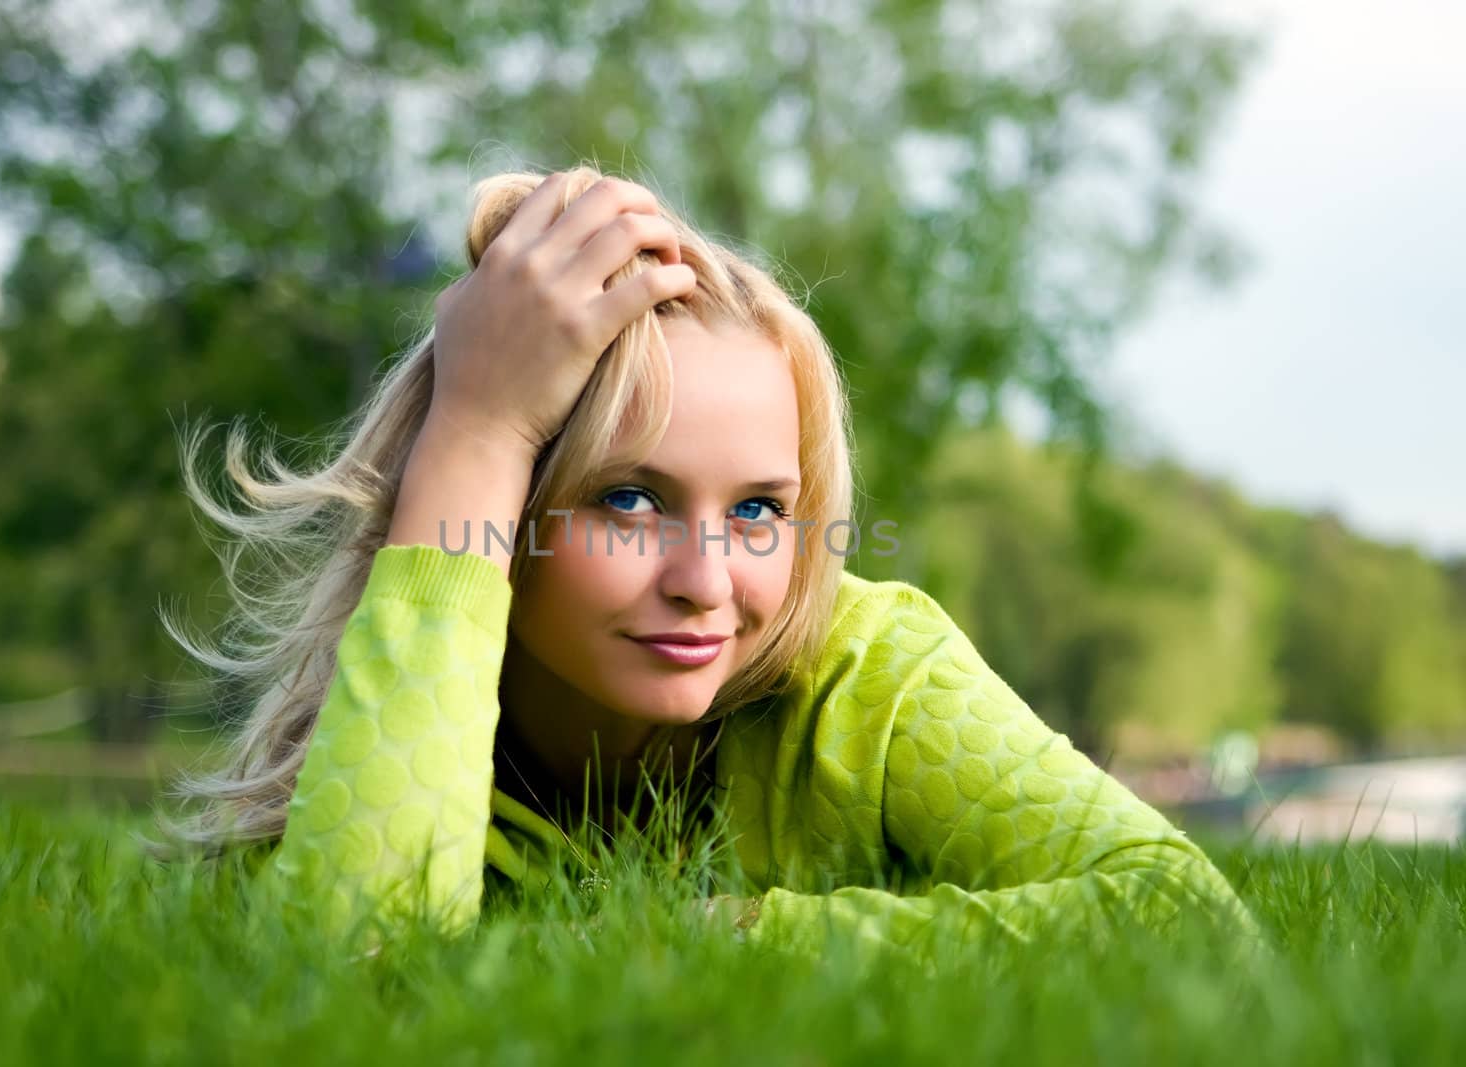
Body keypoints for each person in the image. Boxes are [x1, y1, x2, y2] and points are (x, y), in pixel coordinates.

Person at [157, 165, 1265, 967]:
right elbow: (342, 974)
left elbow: (1182, 916)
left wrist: (705, 938)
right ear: (499, 511)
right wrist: (478, 428)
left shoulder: (869, 672)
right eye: (627, 498)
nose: (707, 577)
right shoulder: (397, 707)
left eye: (758, 509)